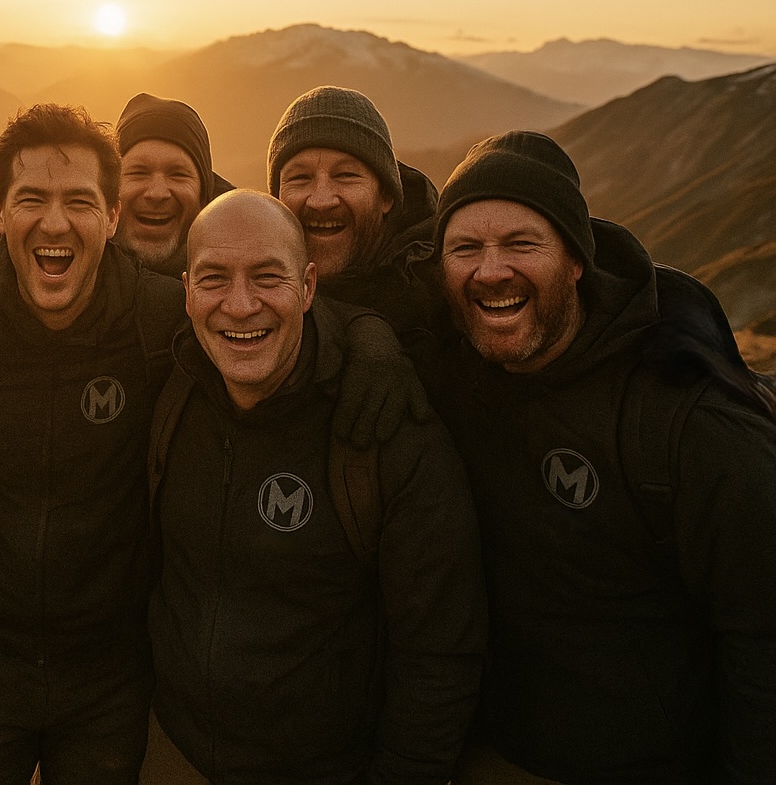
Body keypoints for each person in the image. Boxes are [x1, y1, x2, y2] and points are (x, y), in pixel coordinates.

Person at [0, 105, 425, 784]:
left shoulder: (157, 317)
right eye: (32, 200)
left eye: (79, 202)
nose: (55, 223)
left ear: (111, 216)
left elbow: (258, 297)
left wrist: (369, 335)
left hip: (111, 677)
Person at [430, 131, 776, 784]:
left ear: (577, 259)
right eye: (465, 248)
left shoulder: (687, 418)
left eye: (522, 243)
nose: (491, 269)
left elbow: (763, 637)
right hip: (497, 753)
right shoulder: (456, 368)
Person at [143, 190, 485, 785]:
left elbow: (440, 653)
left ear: (307, 288)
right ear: (187, 290)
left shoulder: (383, 430)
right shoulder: (173, 393)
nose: (240, 305)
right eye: (214, 279)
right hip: (176, 753)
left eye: (267, 278)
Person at [268, 86, 440, 333]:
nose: (321, 200)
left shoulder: (439, 300)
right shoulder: (250, 300)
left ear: (386, 195)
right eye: (300, 178)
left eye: (346, 175)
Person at [113, 93, 230, 278]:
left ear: (204, 193)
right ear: (109, 187)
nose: (157, 193)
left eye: (178, 174)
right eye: (138, 173)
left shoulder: (243, 288)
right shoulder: (70, 283)